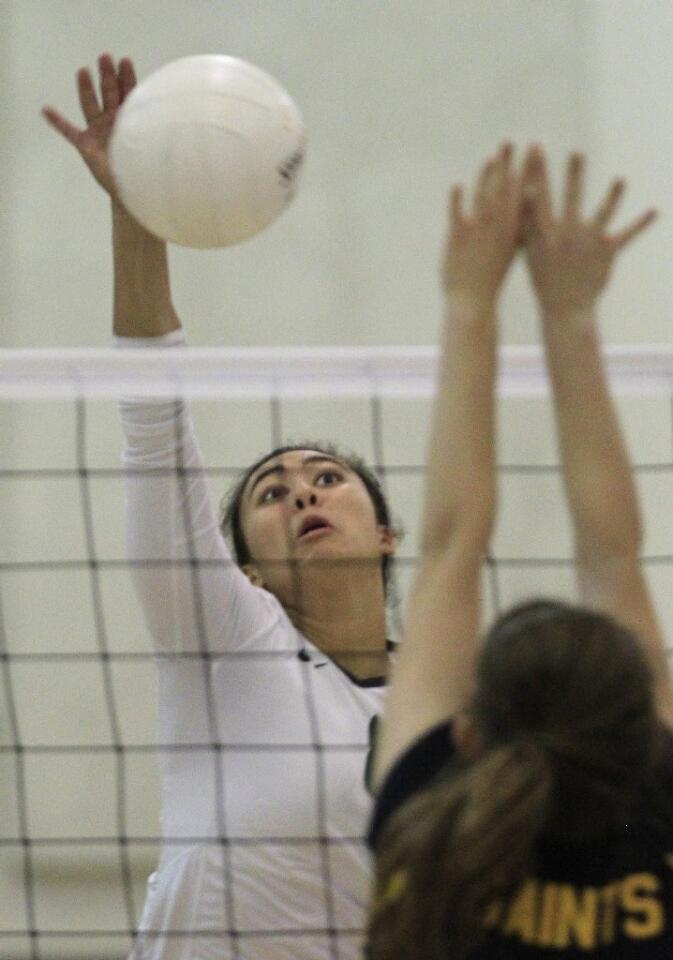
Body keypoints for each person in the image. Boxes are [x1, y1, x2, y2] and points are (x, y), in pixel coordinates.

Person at [43, 54, 397, 960]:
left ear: (386, 532)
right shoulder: (230, 639)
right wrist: (137, 211)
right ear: (244, 568)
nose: (302, 494)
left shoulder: (446, 694)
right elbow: (154, 424)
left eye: (326, 478)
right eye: (272, 494)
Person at [367, 142, 673, 959]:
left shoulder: (424, 823)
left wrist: (468, 301)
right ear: (643, 725)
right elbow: (612, 559)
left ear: (467, 731)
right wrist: (570, 316)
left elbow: (448, 545)